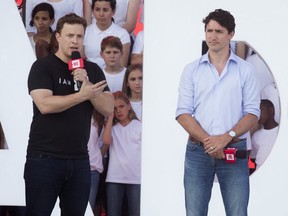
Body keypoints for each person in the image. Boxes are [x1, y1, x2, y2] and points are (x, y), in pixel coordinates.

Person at [24, 13, 114, 216]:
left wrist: (86, 83)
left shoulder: (91, 70)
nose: (75, 41)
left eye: (80, 36)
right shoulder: (42, 67)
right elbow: (45, 104)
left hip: (80, 160)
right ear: (58, 37)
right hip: (44, 158)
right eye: (70, 35)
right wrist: (82, 96)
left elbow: (108, 107)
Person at [175, 9, 260, 216]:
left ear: (231, 34)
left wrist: (226, 138)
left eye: (219, 31)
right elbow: (183, 113)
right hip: (198, 151)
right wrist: (209, 141)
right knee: (194, 213)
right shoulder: (191, 69)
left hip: (233, 149)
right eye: (209, 30)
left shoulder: (245, 70)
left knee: (238, 212)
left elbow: (252, 113)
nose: (212, 36)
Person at [102, 91, 141, 216]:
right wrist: (110, 118)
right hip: (114, 178)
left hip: (136, 178)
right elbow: (106, 141)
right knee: (113, 213)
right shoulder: (112, 128)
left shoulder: (140, 127)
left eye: (121, 106)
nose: (118, 111)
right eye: (114, 108)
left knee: (136, 213)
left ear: (129, 106)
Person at [84, 0, 131, 69]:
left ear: (113, 11)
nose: (101, 14)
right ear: (92, 11)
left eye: (105, 10)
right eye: (97, 10)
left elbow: (122, 67)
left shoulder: (123, 34)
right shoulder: (85, 32)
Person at [250, 99, 279, 172]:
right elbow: (253, 159)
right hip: (260, 175)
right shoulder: (256, 135)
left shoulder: (280, 131)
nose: (258, 114)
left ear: (271, 110)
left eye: (261, 110)